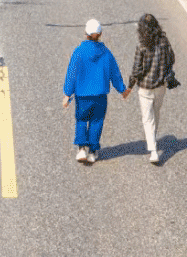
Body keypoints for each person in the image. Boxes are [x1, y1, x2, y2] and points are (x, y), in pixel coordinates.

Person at [62, 18, 125, 164]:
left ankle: (81, 148)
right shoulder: (106, 53)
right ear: (101, 33)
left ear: (86, 33)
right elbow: (114, 72)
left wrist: (67, 93)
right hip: (100, 95)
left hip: (83, 95)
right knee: (97, 121)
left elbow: (72, 73)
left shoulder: (78, 52)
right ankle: (93, 151)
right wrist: (122, 89)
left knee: (82, 119)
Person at [121, 12, 175, 164]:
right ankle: (153, 139)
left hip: (145, 87)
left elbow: (137, 70)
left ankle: (153, 150)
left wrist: (129, 87)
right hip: (161, 86)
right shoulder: (165, 41)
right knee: (155, 113)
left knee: (147, 118)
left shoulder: (142, 45)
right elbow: (172, 59)